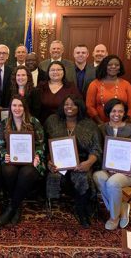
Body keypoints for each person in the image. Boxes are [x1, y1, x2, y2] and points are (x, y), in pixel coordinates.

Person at [45, 95, 102, 228]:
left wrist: (88, 163)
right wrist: (48, 162)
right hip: (58, 164)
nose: (69, 107)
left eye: (73, 104)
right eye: (66, 104)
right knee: (54, 176)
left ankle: (81, 210)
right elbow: (45, 145)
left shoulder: (90, 124)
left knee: (83, 178)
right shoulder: (52, 121)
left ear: (79, 107)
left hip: (81, 163)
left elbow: (96, 149)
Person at [93, 99, 131, 230]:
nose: (117, 114)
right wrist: (107, 167)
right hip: (109, 169)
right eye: (113, 111)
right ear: (108, 112)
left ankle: (114, 217)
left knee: (113, 182)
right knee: (97, 176)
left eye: (120, 111)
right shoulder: (101, 128)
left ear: (125, 113)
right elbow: (99, 151)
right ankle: (122, 206)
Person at [0, 96, 46, 226]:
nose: (17, 108)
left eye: (20, 106)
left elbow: (41, 144)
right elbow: (1, 145)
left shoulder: (34, 122)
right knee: (8, 171)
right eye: (14, 105)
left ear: (25, 108)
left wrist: (37, 156)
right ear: (10, 107)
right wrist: (4, 155)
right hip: (12, 160)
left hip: (31, 161)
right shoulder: (4, 123)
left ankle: (11, 208)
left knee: (26, 173)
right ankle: (17, 206)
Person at [86, 54, 131, 124]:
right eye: (110, 65)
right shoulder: (94, 84)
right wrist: (100, 123)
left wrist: (123, 123)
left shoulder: (126, 84)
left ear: (120, 68)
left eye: (117, 65)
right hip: (99, 124)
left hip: (121, 124)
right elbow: (89, 106)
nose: (113, 67)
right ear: (104, 67)